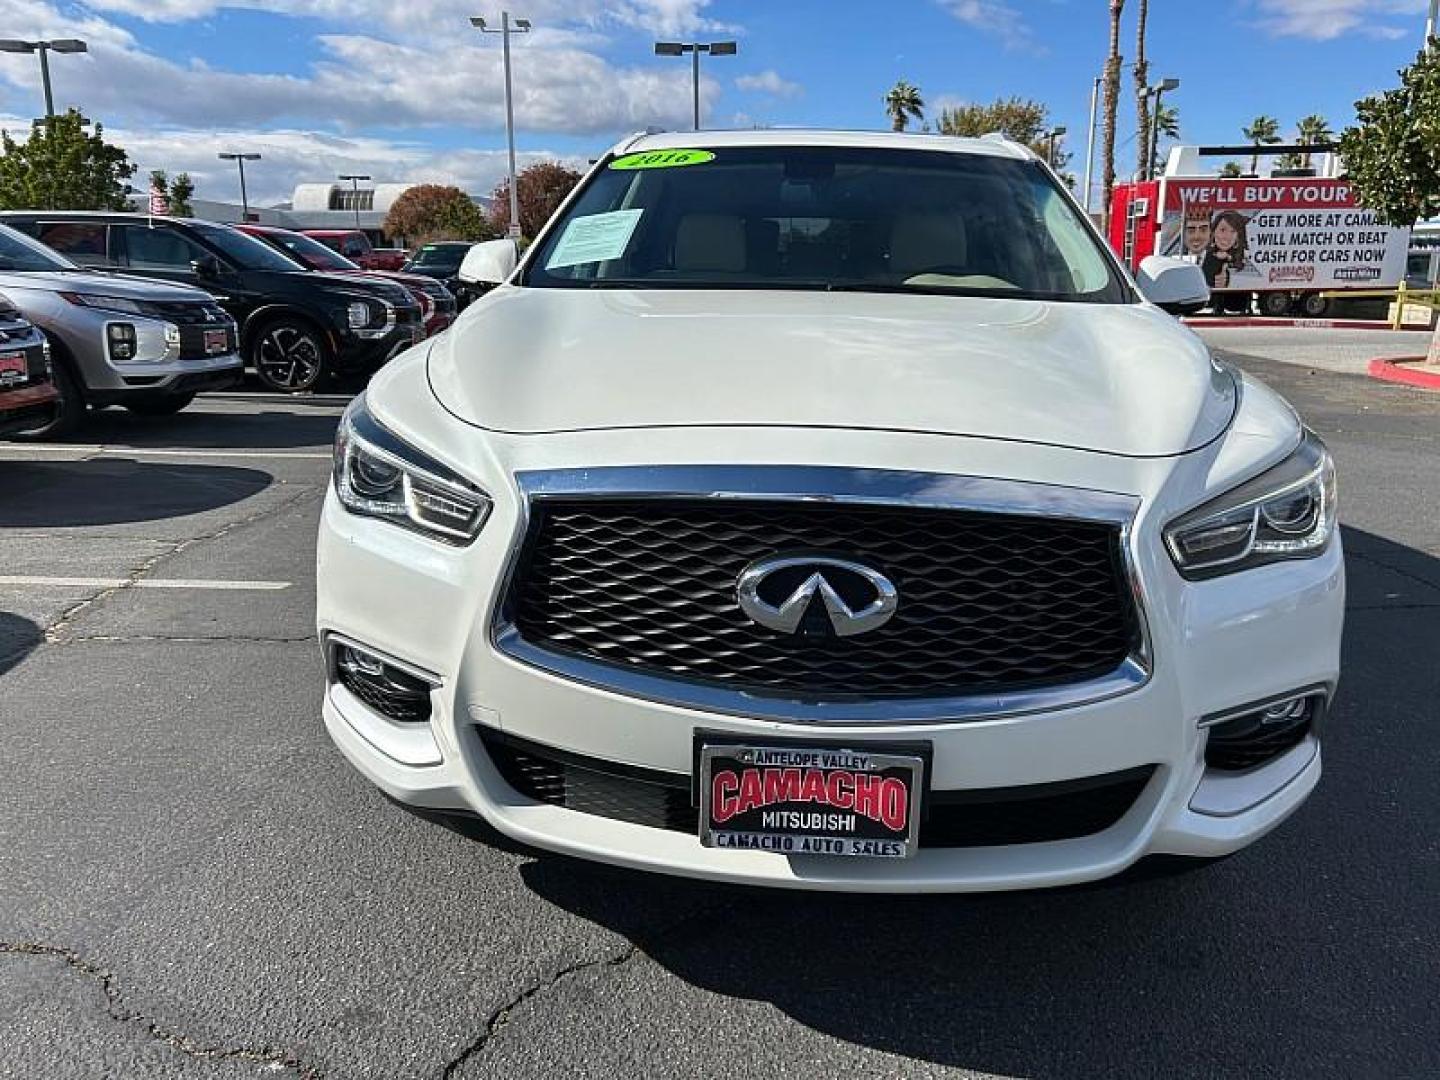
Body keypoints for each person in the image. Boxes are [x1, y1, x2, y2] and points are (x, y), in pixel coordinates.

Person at [1202, 211, 1250, 289]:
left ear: (1238, 237)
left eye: (1233, 231)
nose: (1227, 236)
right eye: (1223, 230)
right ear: (1213, 232)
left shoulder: (1241, 260)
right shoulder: (1206, 256)